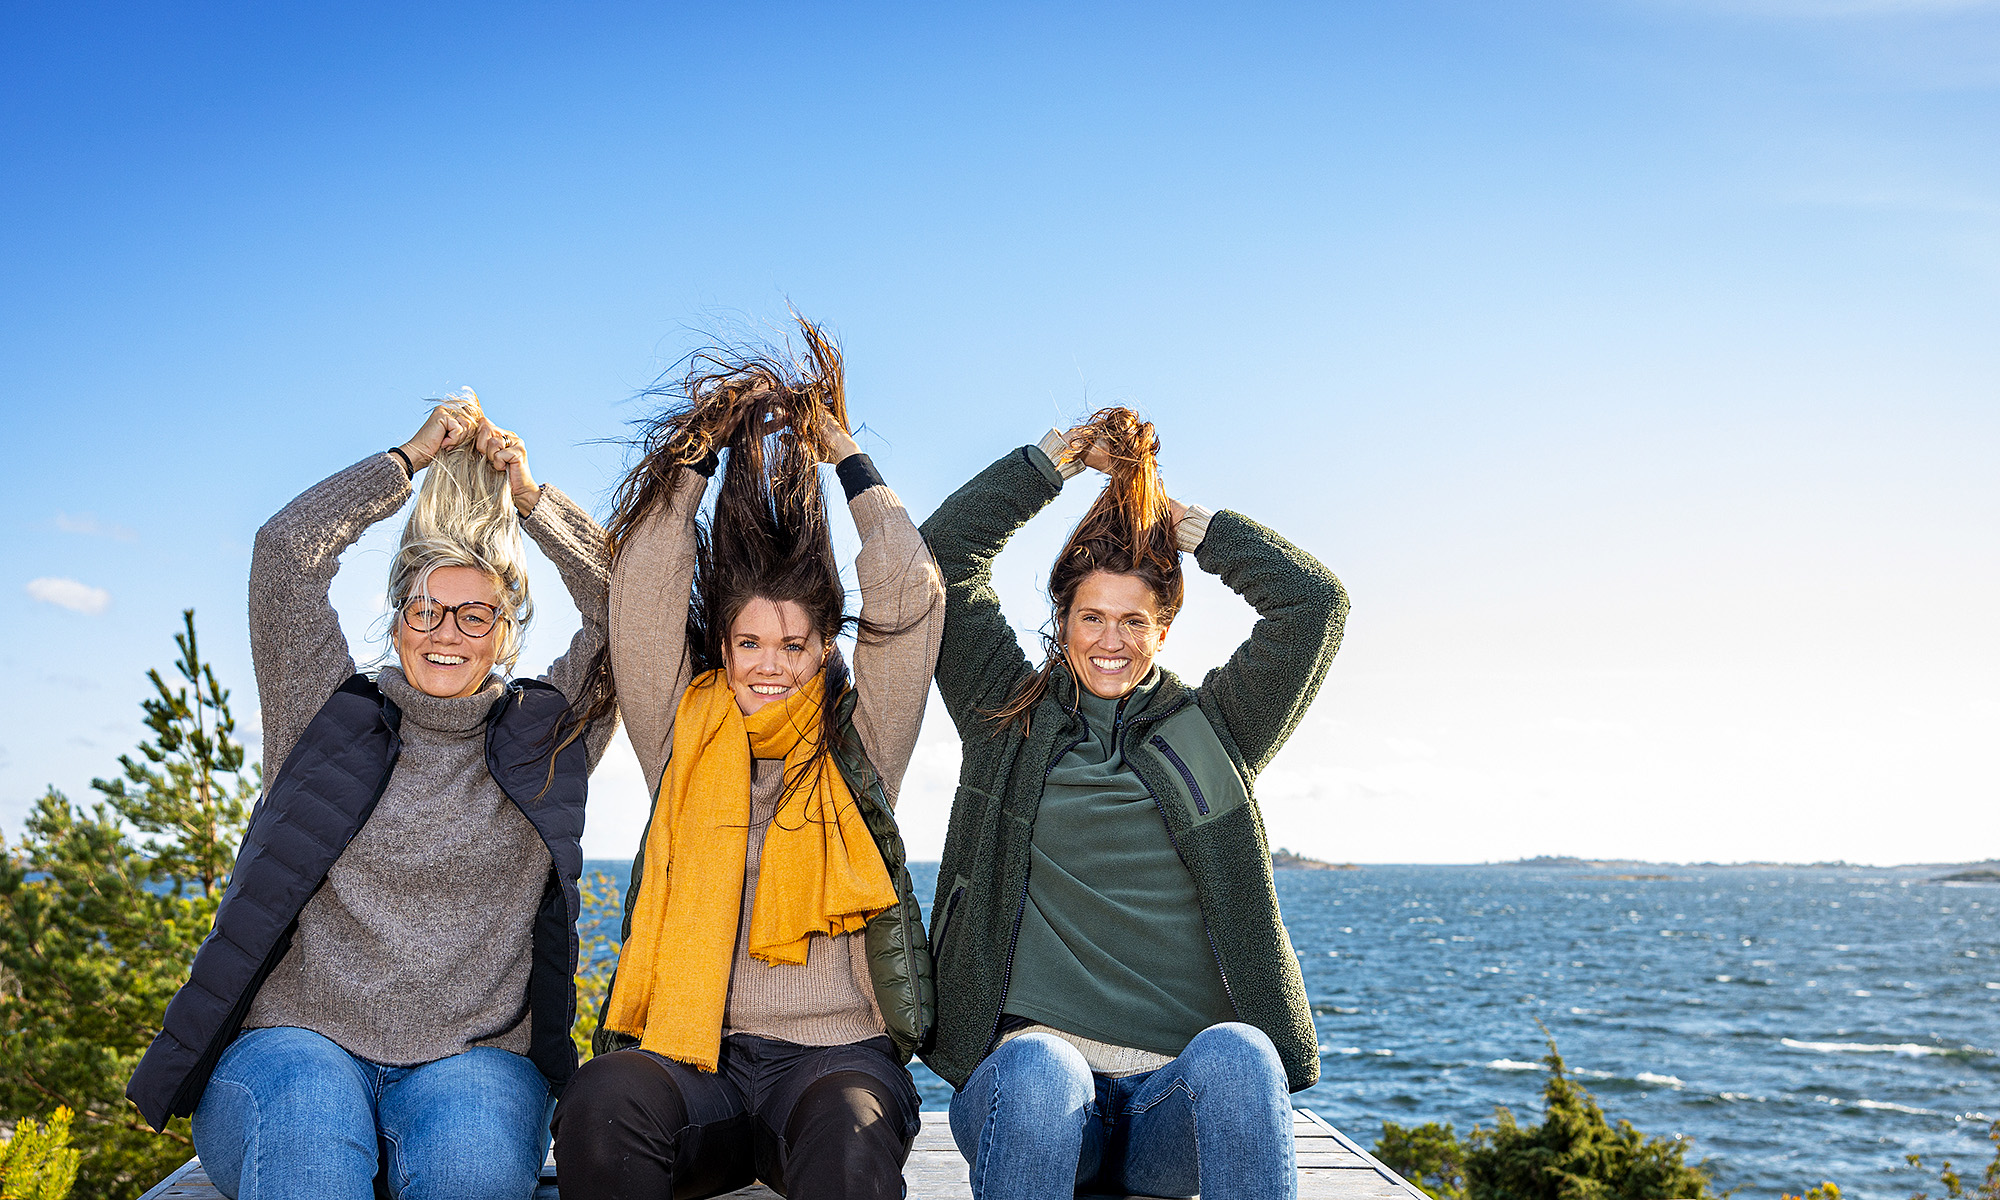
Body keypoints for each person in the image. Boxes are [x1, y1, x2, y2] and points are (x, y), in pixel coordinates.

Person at [127, 393, 619, 1200]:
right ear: (397, 623)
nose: (445, 632)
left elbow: (626, 608)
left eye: (474, 614)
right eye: (425, 609)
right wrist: (407, 460)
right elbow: (285, 554)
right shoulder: (322, 712)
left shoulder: (550, 734)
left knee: (469, 1178)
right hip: (295, 1046)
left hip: (476, 1062)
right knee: (309, 1167)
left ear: (506, 631)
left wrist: (531, 499)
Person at [551, 321, 943, 1200]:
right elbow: (645, 591)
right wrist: (697, 455)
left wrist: (845, 457)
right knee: (602, 1099)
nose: (770, 664)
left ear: (822, 653)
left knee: (850, 1136)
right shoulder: (683, 731)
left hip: (834, 1065)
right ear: (723, 650)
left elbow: (912, 595)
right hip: (704, 1065)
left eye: (793, 645)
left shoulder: (860, 738)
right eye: (750, 642)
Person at [919, 408, 1349, 1200]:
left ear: (1165, 627)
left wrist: (1184, 524)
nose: (1109, 641)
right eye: (1090, 616)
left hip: (1167, 1106)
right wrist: (1048, 465)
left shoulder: (1215, 733)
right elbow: (941, 562)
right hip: (1031, 1096)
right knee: (1043, 1069)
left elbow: (1314, 607)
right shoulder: (1003, 718)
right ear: (1062, 619)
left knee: (1243, 1056)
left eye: (1133, 621)